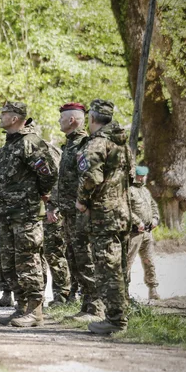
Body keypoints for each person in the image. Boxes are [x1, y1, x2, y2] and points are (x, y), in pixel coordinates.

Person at [0, 102, 58, 328]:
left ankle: (35, 310)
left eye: (4, 114)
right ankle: (21, 307)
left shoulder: (30, 142)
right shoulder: (11, 142)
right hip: (8, 213)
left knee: (28, 260)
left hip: (26, 215)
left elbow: (49, 173)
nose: (0, 117)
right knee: (10, 262)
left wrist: (39, 194)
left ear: (15, 118)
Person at [76, 99, 133, 334]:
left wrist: (81, 201)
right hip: (122, 212)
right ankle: (120, 315)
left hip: (103, 215)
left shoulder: (97, 144)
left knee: (107, 269)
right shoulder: (123, 145)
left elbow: (91, 177)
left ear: (92, 119)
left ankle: (115, 321)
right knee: (119, 268)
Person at [47, 103, 102, 321]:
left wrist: (83, 204)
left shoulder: (83, 145)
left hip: (81, 213)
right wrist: (53, 204)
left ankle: (96, 308)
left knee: (86, 258)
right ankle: (86, 306)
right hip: (69, 213)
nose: (59, 122)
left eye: (62, 119)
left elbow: (89, 178)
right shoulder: (69, 146)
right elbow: (62, 182)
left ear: (72, 121)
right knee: (74, 259)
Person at [41, 140, 71, 305]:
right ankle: (42, 296)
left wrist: (53, 206)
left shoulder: (47, 151)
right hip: (41, 211)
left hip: (52, 211)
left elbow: (58, 180)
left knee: (54, 253)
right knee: (44, 254)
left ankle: (62, 294)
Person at [127, 166, 160, 300]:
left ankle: (153, 289)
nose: (141, 178)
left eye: (143, 176)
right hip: (134, 234)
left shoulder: (145, 191)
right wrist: (137, 222)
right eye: (139, 176)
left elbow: (154, 206)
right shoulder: (129, 190)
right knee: (127, 262)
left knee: (149, 261)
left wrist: (155, 219)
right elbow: (126, 209)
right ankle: (124, 292)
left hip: (147, 233)